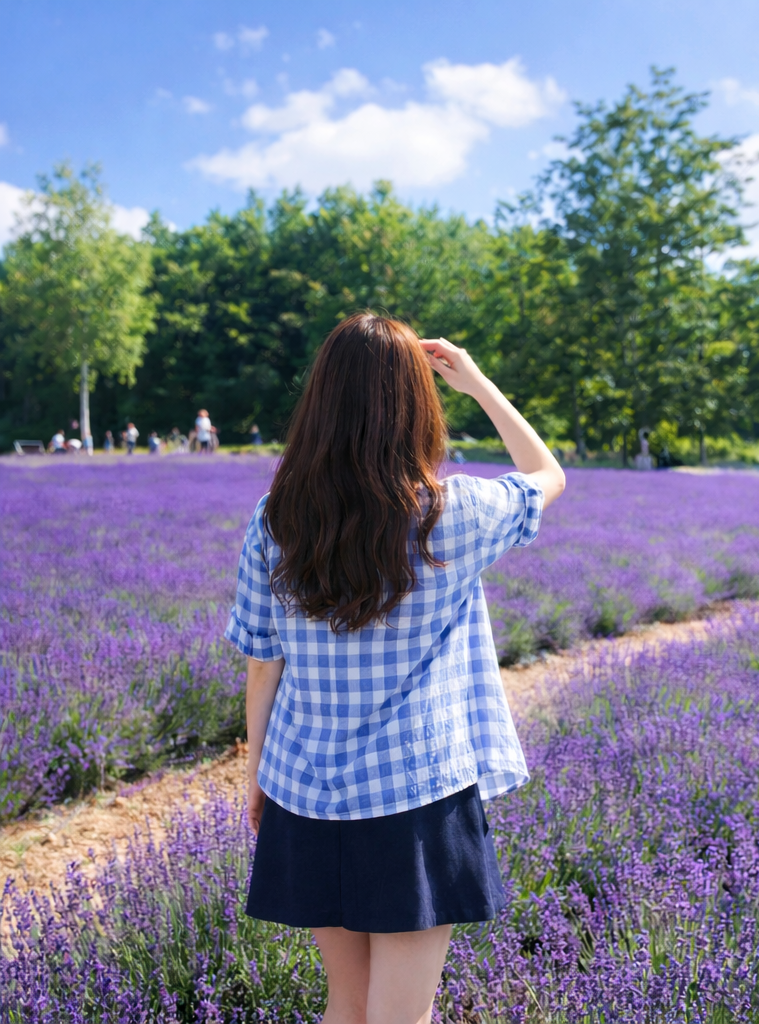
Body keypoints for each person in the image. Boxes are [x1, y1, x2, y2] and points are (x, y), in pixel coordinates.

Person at [224, 314, 565, 1024]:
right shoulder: (455, 513)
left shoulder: (276, 518)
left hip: (304, 789)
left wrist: (257, 777)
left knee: (345, 1006)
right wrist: (474, 382)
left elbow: (264, 663)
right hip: (416, 796)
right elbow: (546, 474)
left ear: (321, 402)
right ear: (416, 407)